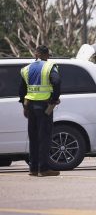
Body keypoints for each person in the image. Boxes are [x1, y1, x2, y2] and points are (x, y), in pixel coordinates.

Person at [19, 45, 61, 177]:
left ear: (35, 54)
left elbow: (21, 90)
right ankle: (43, 169)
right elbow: (57, 81)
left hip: (30, 106)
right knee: (44, 138)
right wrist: (54, 99)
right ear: (47, 55)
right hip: (44, 107)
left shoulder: (26, 69)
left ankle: (33, 168)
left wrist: (24, 105)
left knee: (34, 138)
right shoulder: (50, 67)